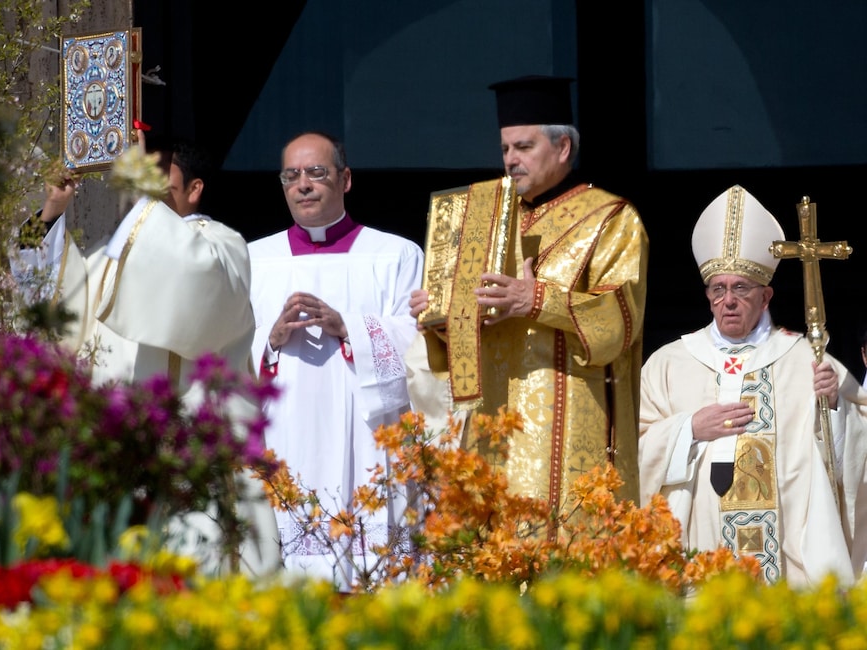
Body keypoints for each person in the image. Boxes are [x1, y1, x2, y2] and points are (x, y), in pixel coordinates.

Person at [10, 133, 280, 577]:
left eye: (158, 184)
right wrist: (53, 212)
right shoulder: (105, 260)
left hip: (191, 464)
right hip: (121, 462)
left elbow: (193, 283)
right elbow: (54, 316)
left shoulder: (222, 246)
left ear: (194, 190)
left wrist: (146, 202)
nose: (144, 195)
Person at [406, 75, 649, 512]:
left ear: (563, 148)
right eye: (505, 149)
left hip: (571, 422)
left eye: (524, 147)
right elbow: (465, 335)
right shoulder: (486, 218)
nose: (511, 160)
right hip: (494, 428)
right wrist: (439, 318)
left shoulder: (611, 218)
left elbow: (618, 321)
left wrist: (536, 300)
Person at [638, 184, 867, 587]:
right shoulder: (667, 364)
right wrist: (687, 430)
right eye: (718, 289)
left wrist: (835, 407)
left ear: (765, 297)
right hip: (693, 560)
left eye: (741, 288)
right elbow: (628, 451)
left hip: (787, 565)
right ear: (708, 295)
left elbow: (855, 449)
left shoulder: (805, 359)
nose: (728, 300)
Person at [247, 131, 424, 587]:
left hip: (365, 436)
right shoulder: (254, 260)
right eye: (292, 175)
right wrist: (270, 340)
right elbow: (227, 351)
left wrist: (351, 330)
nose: (303, 184)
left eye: (317, 173)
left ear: (345, 180)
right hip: (286, 433)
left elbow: (420, 346)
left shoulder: (396, 254)